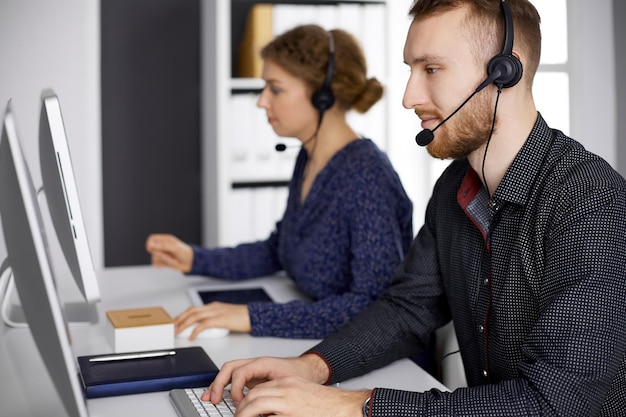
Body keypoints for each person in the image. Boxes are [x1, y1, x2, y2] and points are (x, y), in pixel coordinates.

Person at [204, 1, 626, 416]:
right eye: (411, 70)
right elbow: (407, 310)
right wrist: (311, 367)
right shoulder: (453, 190)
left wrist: (355, 405)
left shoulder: (590, 202)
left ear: (504, 72)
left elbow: (554, 402)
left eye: (431, 69)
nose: (408, 97)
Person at [145, 25, 414, 341]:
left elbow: (374, 307)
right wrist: (196, 259)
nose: (261, 102)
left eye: (275, 88)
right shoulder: (310, 157)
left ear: (323, 95)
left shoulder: (367, 177)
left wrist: (252, 316)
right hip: (323, 336)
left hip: (385, 365)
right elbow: (281, 250)